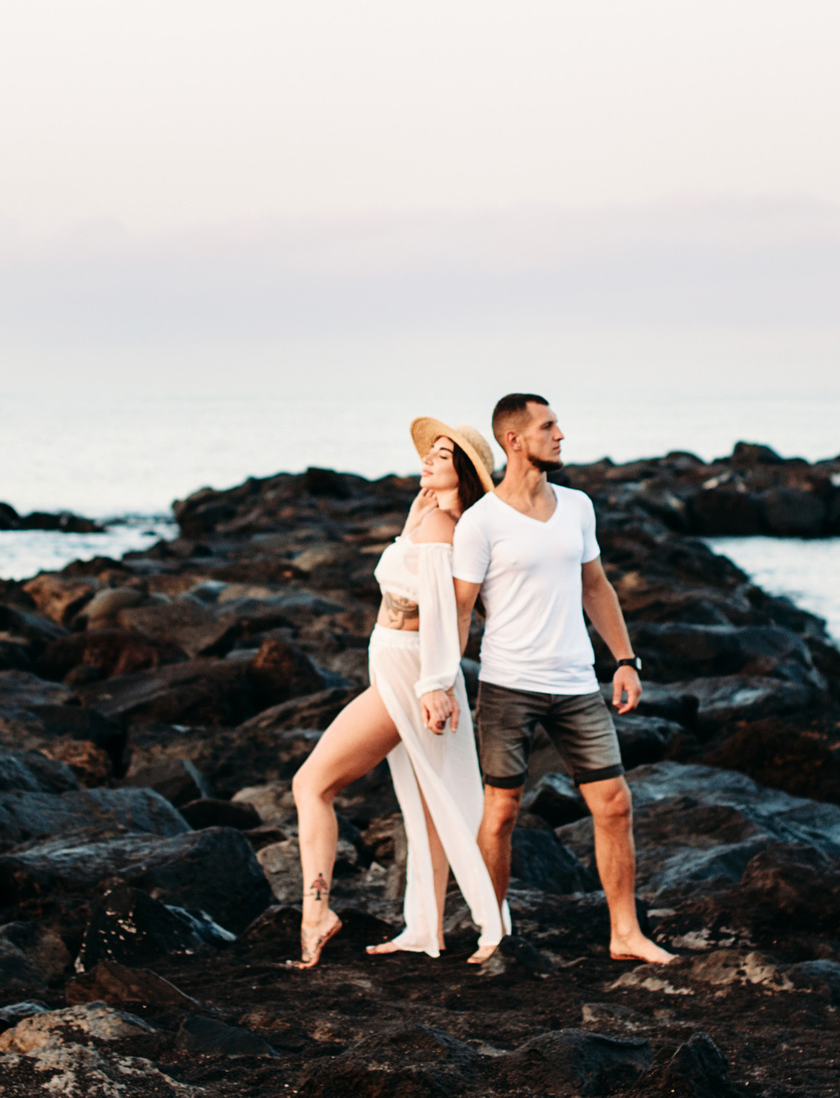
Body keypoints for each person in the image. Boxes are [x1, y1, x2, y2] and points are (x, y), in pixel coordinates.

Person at [452, 393, 674, 963]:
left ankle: (625, 933)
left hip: (577, 684)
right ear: (514, 440)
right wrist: (442, 682)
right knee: (500, 812)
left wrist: (625, 660)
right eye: (548, 426)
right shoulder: (481, 523)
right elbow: (458, 608)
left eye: (557, 425)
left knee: (614, 804)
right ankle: (493, 931)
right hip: (507, 685)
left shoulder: (577, 506)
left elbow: (595, 586)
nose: (560, 435)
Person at [285, 417, 511, 969]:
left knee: (311, 784)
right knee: (431, 803)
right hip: (403, 666)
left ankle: (316, 914)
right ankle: (427, 928)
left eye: (440, 456)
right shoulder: (431, 516)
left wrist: (435, 684)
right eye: (429, 453)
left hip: (413, 672)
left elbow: (446, 614)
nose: (427, 461)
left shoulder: (442, 527)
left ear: (461, 470)